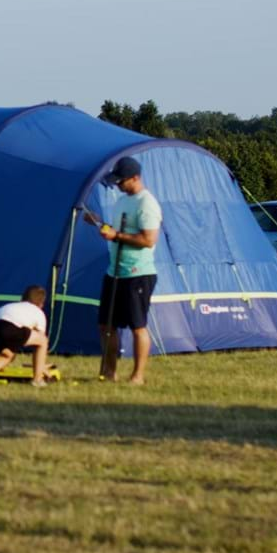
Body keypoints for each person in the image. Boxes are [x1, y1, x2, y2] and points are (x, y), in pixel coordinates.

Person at [82, 156, 162, 385]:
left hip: (138, 274)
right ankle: (109, 372)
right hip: (114, 272)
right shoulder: (122, 201)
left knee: (138, 326)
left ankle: (137, 376)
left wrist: (116, 236)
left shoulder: (147, 204)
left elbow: (148, 239)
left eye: (121, 181)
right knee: (105, 325)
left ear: (135, 178)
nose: (117, 185)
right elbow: (118, 230)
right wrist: (99, 223)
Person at [0, 286, 51, 387]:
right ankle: (37, 380)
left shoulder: (11, 305)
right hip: (10, 328)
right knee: (43, 341)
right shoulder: (39, 312)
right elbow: (40, 340)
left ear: (22, 298)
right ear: (41, 303)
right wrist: (41, 366)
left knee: (8, 355)